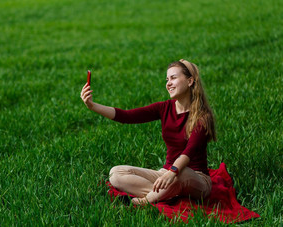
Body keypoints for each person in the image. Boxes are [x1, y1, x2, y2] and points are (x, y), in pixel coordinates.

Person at [80, 59, 216, 205]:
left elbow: (188, 152)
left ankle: (142, 202)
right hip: (166, 173)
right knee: (116, 173)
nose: (168, 83)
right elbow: (127, 116)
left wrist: (172, 172)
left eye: (173, 78)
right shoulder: (164, 108)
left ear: (190, 81)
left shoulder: (203, 117)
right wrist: (92, 106)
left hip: (194, 177)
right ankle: (166, 195)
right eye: (167, 79)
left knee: (181, 172)